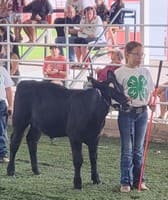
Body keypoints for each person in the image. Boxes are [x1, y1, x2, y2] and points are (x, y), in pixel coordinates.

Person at [114, 41, 155, 192]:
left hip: (143, 113)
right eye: (136, 54)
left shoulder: (145, 71)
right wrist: (123, 101)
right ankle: (125, 181)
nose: (140, 57)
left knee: (138, 149)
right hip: (126, 113)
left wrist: (151, 102)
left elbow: (149, 92)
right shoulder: (119, 73)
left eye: (141, 54)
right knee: (127, 149)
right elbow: (114, 97)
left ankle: (139, 180)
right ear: (127, 54)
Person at [0, 66, 13, 163]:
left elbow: (8, 89)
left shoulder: (2, 70)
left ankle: (2, 153)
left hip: (1, 102)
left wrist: (10, 105)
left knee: (1, 129)